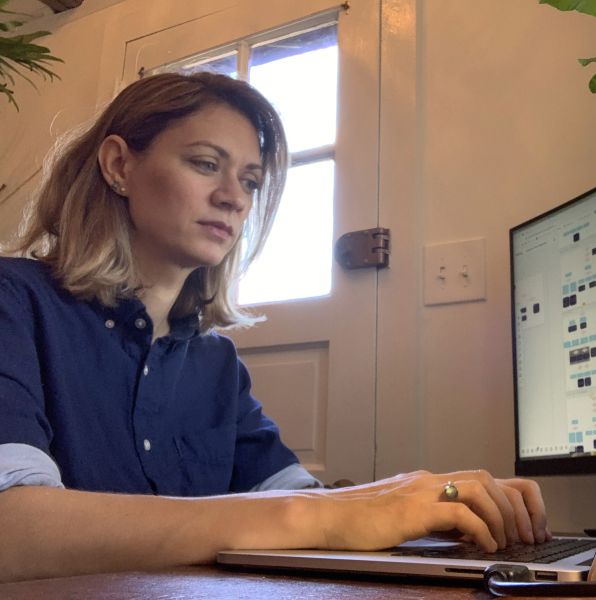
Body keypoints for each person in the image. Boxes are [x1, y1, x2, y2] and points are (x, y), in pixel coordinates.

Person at [0, 72, 549, 583]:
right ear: (119, 165)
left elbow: (297, 494)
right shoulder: (14, 301)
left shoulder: (216, 363)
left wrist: (425, 509)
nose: (234, 198)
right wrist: (315, 516)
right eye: (205, 163)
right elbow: (11, 530)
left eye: (250, 181)